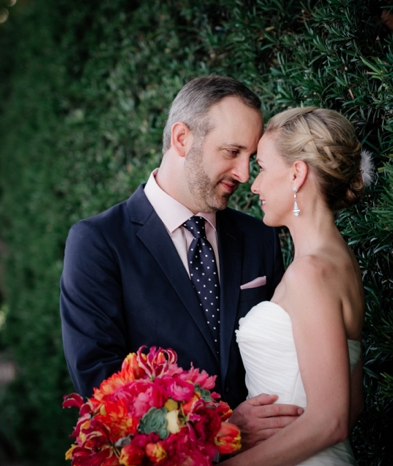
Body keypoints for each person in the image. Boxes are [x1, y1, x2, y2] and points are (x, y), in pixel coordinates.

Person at [60, 75, 311, 446]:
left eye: (250, 157)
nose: (244, 174)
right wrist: (219, 430)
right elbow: (101, 383)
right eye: (231, 152)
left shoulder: (259, 237)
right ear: (182, 139)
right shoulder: (99, 242)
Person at [207, 106, 370, 466]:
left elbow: (332, 420)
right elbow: (354, 402)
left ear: (297, 174)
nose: (254, 184)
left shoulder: (310, 273)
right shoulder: (340, 264)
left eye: (262, 167)